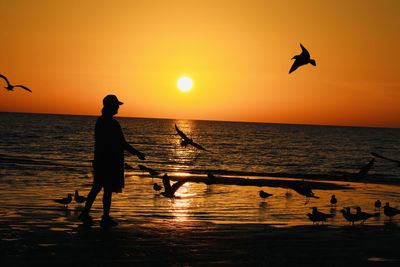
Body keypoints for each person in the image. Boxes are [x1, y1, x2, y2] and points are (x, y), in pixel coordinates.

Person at [79, 94, 145, 227]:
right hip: (109, 161)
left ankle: (86, 213)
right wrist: (137, 153)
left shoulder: (101, 121)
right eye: (116, 105)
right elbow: (122, 143)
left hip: (100, 160)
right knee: (106, 190)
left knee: (97, 187)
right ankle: (104, 217)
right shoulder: (112, 123)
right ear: (110, 106)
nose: (118, 108)